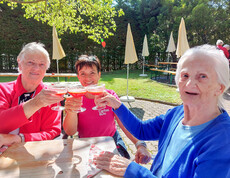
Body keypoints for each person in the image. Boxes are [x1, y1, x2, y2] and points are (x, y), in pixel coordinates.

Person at [93, 44, 230, 177]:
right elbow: (141, 130)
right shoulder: (176, 114)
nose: (189, 84)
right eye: (185, 75)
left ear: (220, 88)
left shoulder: (223, 141)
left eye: (202, 76)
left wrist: (134, 171)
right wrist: (116, 104)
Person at [63, 55, 151, 164]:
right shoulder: (76, 98)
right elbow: (70, 131)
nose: (88, 78)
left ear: (99, 75)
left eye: (92, 73)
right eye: (83, 74)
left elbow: (124, 124)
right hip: (86, 144)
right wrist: (71, 112)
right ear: (78, 77)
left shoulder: (109, 96)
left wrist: (139, 144)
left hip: (112, 141)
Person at [0, 42, 64, 147]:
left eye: (42, 64)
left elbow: (52, 132)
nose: (36, 68)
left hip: (34, 155)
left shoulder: (50, 95)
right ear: (19, 63)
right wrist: (35, 103)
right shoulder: (2, 89)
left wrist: (20, 138)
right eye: (30, 62)